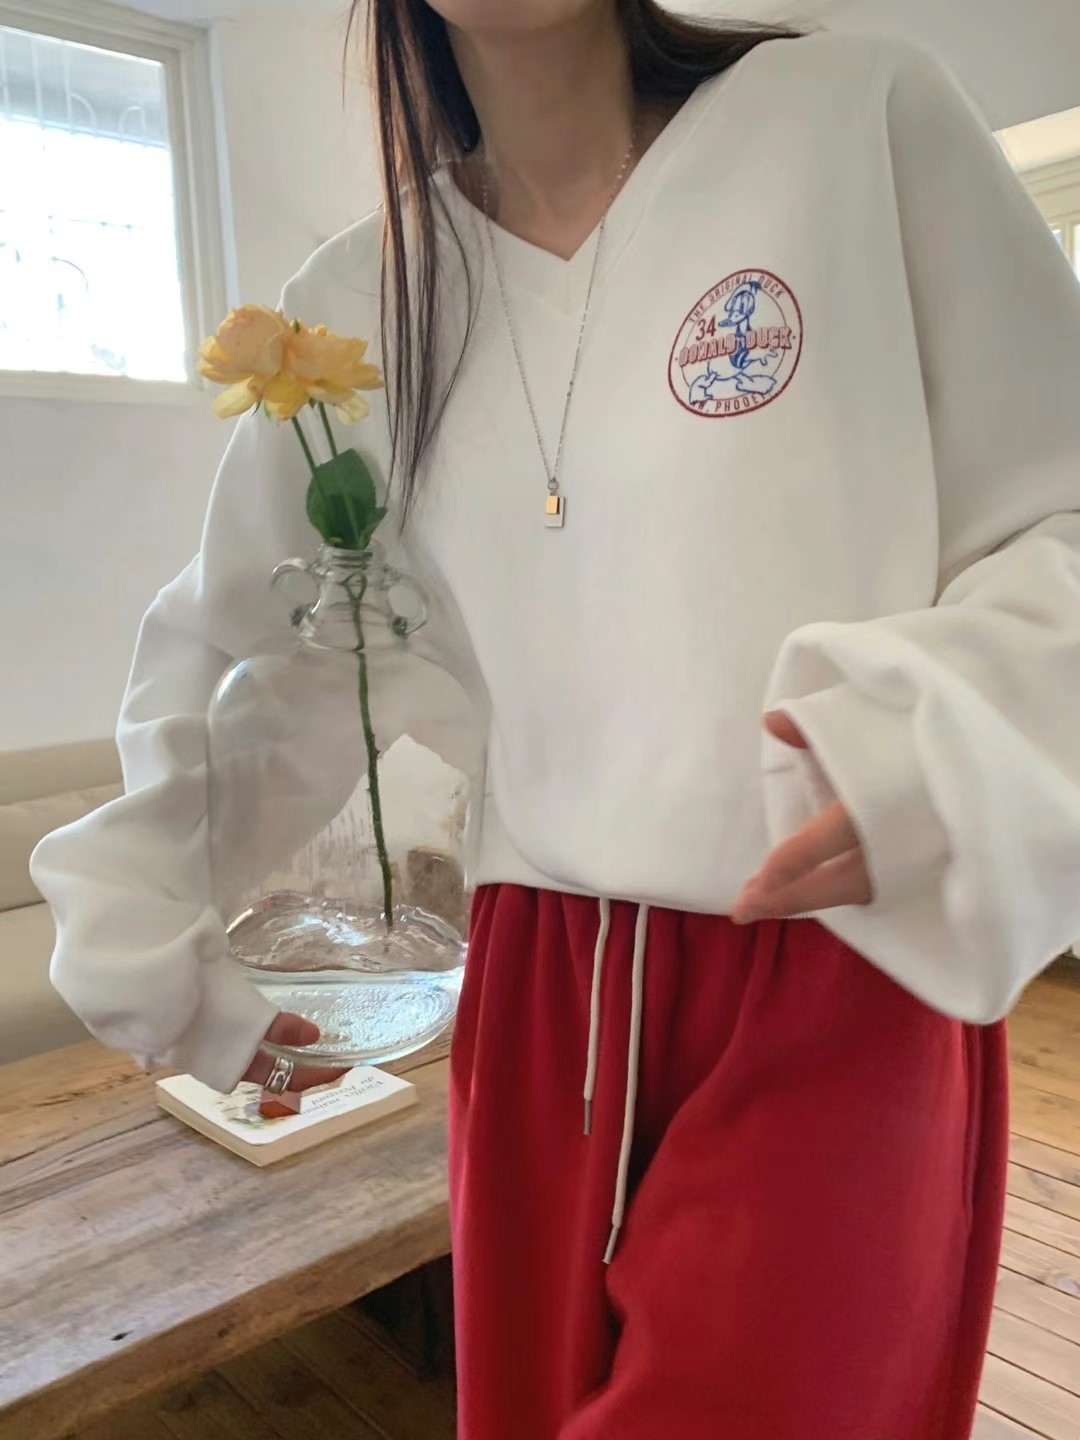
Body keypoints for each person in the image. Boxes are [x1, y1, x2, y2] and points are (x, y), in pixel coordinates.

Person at [31, 2, 1080, 1435]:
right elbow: (273, 647)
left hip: (836, 965)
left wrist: (943, 729)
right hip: (537, 991)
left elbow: (1060, 510)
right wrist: (148, 934)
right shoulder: (354, 302)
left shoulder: (853, 120)